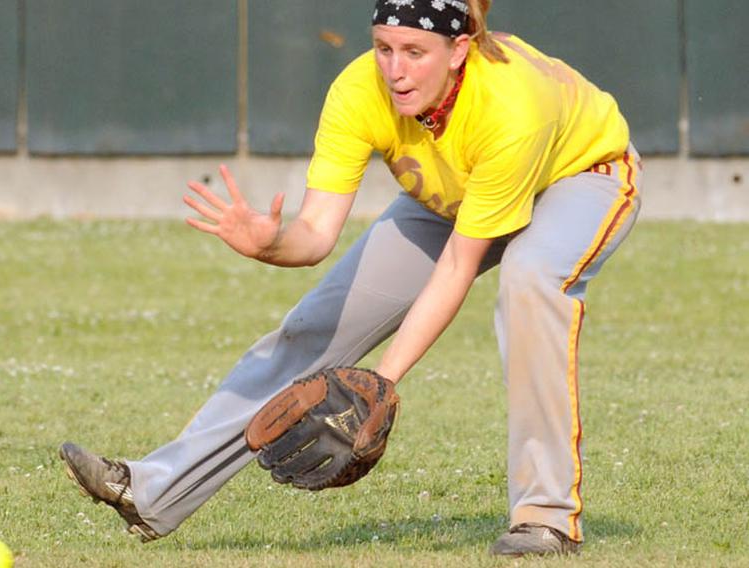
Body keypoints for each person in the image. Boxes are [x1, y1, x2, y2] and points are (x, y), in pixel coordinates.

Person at [59, 0, 641, 556]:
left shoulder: (511, 106)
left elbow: (459, 266)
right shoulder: (360, 89)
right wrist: (270, 243)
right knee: (315, 325)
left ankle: (543, 520)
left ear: (459, 49)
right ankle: (152, 488)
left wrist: (378, 384)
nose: (396, 69)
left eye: (415, 51)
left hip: (579, 177)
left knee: (530, 279)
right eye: (384, 48)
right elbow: (314, 233)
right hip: (451, 196)